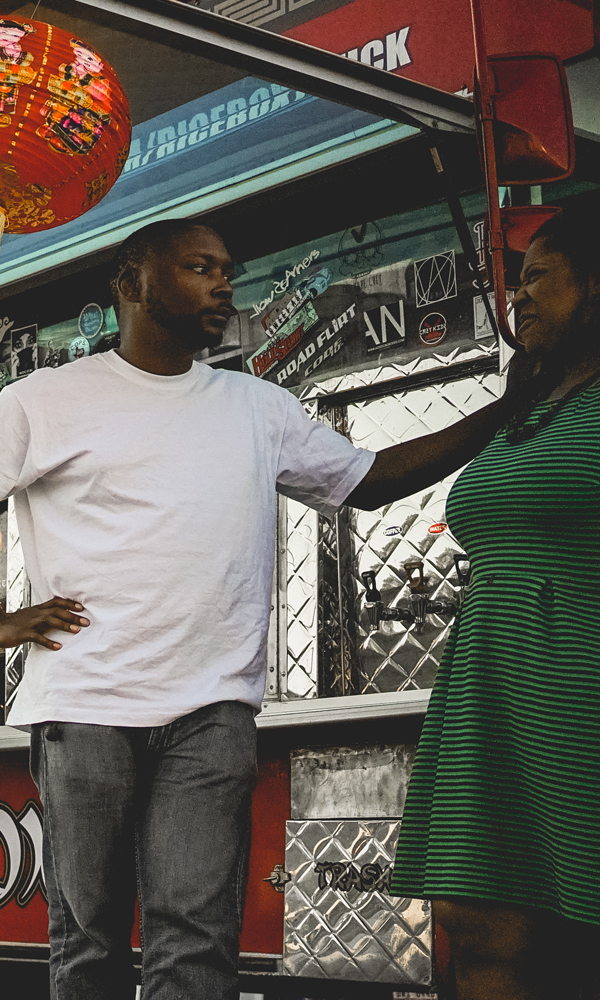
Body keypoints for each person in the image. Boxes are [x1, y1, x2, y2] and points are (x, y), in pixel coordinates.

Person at [0, 219, 514, 999]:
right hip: (88, 708)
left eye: (227, 268)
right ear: (131, 284)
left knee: (196, 944)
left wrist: (506, 407)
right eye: (197, 267)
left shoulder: (258, 407)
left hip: (211, 715)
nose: (222, 283)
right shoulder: (51, 398)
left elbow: (370, 479)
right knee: (88, 945)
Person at [390, 204, 600, 999]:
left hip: (579, 681)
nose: (522, 296)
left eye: (541, 276)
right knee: (477, 925)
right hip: (493, 687)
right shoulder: (531, 408)